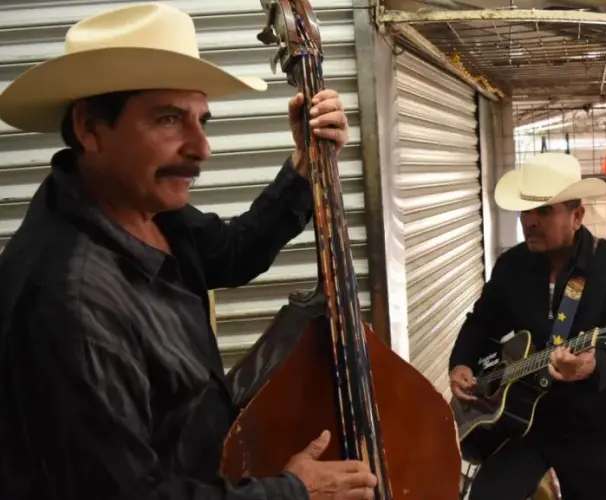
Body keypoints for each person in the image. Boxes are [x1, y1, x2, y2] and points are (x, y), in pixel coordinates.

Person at [0, 4, 376, 500]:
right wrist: (290, 493)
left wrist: (305, 166)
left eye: (202, 120)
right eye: (169, 119)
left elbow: (235, 251)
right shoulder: (71, 302)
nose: (201, 148)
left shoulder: (146, 208)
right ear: (90, 127)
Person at [449, 153, 606, 500]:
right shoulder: (512, 265)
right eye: (525, 211)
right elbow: (483, 322)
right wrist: (462, 363)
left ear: (577, 215)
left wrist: (592, 364)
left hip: (593, 426)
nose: (530, 222)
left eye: (544, 211)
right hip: (521, 424)